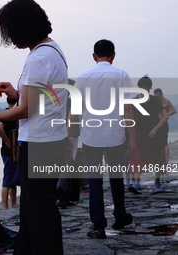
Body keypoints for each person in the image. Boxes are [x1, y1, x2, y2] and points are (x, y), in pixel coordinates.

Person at [0, 0, 69, 254]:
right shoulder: (53, 51)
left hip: (38, 144)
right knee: (33, 211)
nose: (9, 38)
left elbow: (27, 110)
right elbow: (40, 99)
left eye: (11, 31)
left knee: (39, 214)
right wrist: (14, 93)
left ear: (22, 28)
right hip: (50, 140)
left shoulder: (38, 58)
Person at [68, 39, 135, 239]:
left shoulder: (83, 76)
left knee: (95, 180)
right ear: (113, 55)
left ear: (94, 57)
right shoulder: (121, 75)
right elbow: (128, 108)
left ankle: (98, 225)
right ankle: (120, 216)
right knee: (116, 177)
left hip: (91, 136)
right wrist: (132, 138)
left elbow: (75, 110)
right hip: (116, 134)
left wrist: (70, 135)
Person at [128, 78, 168, 192]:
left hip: (154, 133)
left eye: (146, 88)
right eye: (142, 88)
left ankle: (157, 181)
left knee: (157, 156)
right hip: (139, 133)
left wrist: (155, 129)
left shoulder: (155, 101)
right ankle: (136, 182)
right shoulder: (134, 101)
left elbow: (165, 116)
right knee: (137, 156)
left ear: (149, 89)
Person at [0, 97, 19, 209]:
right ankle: (5, 206)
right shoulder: (7, 114)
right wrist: (7, 142)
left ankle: (13, 203)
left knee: (13, 178)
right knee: (8, 179)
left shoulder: (11, 114)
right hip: (8, 151)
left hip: (12, 150)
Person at [153, 88, 177, 164]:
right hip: (154, 124)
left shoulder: (166, 102)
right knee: (155, 142)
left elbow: (174, 110)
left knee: (164, 143)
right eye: (156, 97)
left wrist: (165, 115)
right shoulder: (154, 102)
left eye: (159, 96)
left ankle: (165, 161)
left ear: (161, 94)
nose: (157, 98)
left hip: (163, 124)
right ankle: (156, 161)